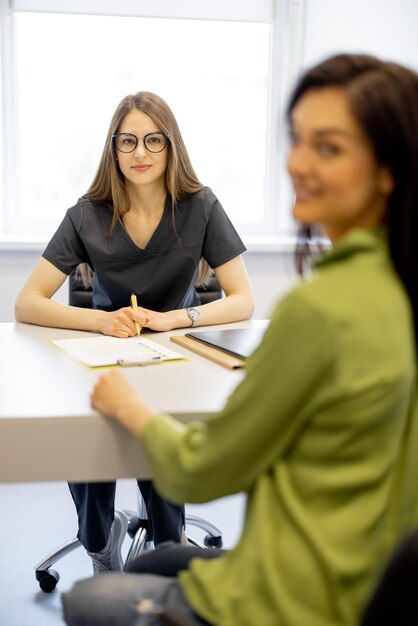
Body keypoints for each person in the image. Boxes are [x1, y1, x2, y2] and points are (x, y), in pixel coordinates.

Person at [62, 53, 418, 626]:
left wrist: (133, 400)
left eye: (328, 147)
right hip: (368, 565)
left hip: (296, 592)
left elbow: (202, 470)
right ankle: (104, 540)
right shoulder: (391, 288)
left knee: (85, 600)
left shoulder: (317, 308)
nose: (297, 161)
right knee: (158, 560)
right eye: (297, 139)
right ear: (113, 149)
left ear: (389, 168)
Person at [15, 91, 254, 574]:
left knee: (159, 442)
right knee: (86, 440)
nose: (140, 153)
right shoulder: (87, 212)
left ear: (171, 146)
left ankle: (169, 550)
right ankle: (100, 546)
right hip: (105, 352)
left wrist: (174, 319)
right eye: (127, 141)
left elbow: (243, 299)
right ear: (113, 149)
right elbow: (27, 303)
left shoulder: (201, 206)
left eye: (152, 140)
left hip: (177, 358)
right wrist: (101, 321)